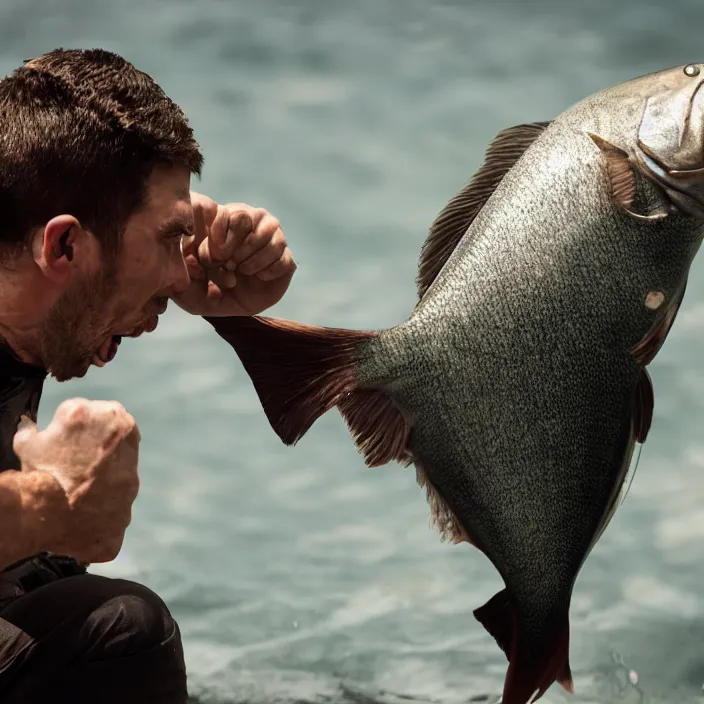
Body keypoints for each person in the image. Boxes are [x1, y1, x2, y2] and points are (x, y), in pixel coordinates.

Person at [0, 48, 297, 703]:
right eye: (170, 242)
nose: (182, 272)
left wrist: (189, 258)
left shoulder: (26, 285)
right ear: (65, 246)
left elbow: (39, 96)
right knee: (120, 635)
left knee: (46, 579)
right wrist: (47, 504)